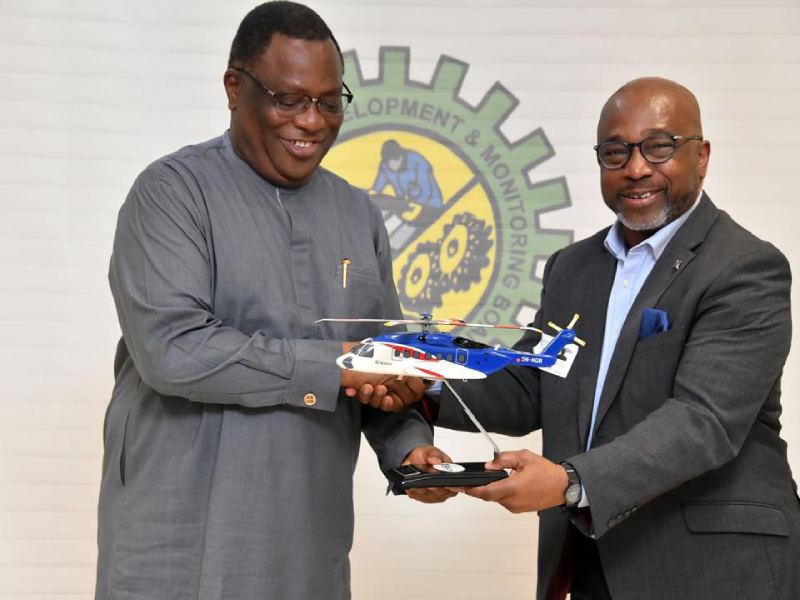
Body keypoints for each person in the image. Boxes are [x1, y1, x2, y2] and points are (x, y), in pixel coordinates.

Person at [96, 3, 452, 599]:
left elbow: (380, 370)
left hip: (306, 551)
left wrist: (412, 452)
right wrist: (340, 365)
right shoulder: (172, 193)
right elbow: (173, 351)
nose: (312, 121)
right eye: (289, 100)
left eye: (330, 100)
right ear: (235, 88)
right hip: (177, 548)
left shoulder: (357, 214)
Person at [434, 77, 800, 599]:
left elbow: (703, 422)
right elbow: (530, 387)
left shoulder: (745, 267)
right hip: (590, 562)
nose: (635, 168)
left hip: (716, 572)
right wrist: (415, 383)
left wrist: (567, 480)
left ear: (702, 155)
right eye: (615, 151)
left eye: (659, 146)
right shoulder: (571, 268)